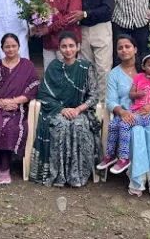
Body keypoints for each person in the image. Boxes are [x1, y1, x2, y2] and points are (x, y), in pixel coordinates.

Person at [101, 35, 150, 196]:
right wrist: (122, 112)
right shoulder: (114, 74)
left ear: (135, 49)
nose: (124, 50)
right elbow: (110, 101)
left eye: (127, 46)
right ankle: (138, 180)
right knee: (136, 132)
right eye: (120, 48)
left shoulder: (148, 67)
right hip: (129, 116)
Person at [29, 31, 101, 187]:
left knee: (78, 125)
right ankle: (59, 175)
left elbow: (94, 95)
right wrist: (62, 109)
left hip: (81, 111)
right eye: (64, 46)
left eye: (71, 46)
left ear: (78, 47)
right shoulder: (54, 67)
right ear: (59, 49)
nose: (68, 50)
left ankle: (78, 174)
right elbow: (44, 93)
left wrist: (77, 110)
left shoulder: (85, 67)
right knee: (61, 125)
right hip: (58, 110)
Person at [0, 33, 40, 185]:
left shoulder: (27, 66)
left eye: (14, 46)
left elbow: (33, 88)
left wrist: (14, 101)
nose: (11, 49)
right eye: (7, 47)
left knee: (11, 127)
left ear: (19, 47)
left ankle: (5, 166)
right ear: (2, 48)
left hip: (17, 107)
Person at [67, 0, 114, 102]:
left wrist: (86, 13)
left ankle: (103, 104)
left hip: (101, 28)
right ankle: (89, 102)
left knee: (103, 68)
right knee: (86, 67)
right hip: (83, 29)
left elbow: (108, 9)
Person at [33, 0, 82, 70]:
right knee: (50, 74)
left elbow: (70, 19)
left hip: (67, 42)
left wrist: (49, 28)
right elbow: (40, 13)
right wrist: (38, 23)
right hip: (48, 42)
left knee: (68, 74)